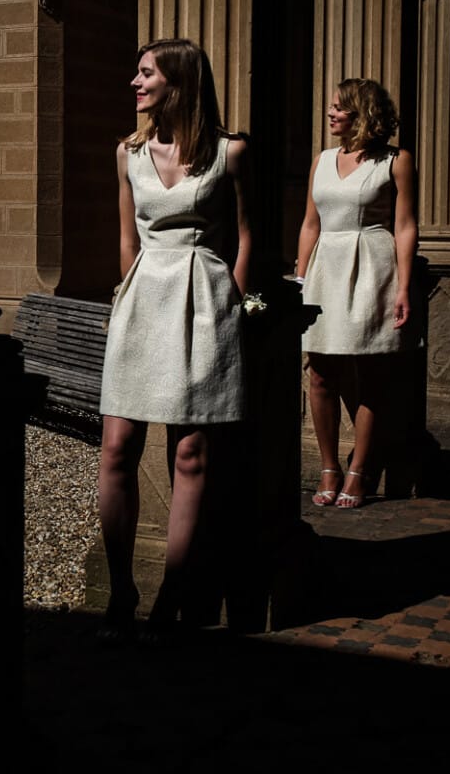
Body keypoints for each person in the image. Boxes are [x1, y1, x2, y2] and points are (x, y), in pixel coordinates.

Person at [96, 38, 251, 639]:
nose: (134, 83)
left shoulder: (229, 152)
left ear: (177, 83)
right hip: (141, 300)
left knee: (191, 453)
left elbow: (245, 236)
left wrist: (232, 304)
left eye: (145, 73)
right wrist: (123, 298)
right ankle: (120, 589)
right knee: (116, 448)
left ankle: (173, 592)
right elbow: (126, 240)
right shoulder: (127, 154)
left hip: (203, 300)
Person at [295, 78, 417, 509]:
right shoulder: (323, 160)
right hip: (326, 266)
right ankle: (330, 465)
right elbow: (311, 223)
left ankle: (360, 469)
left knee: (372, 376)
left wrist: (403, 286)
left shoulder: (396, 160)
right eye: (331, 107)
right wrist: (300, 277)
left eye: (339, 108)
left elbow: (404, 226)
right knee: (320, 372)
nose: (330, 114)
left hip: (373, 266)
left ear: (362, 114)